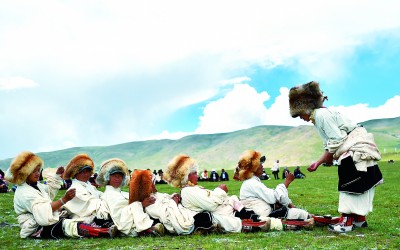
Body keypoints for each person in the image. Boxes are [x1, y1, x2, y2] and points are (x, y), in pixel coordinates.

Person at [289, 81, 383, 233]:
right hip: (358, 149)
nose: (300, 118)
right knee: (360, 184)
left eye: (299, 114)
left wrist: (328, 157)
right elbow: (332, 143)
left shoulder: (321, 115)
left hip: (354, 151)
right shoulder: (321, 115)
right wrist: (319, 162)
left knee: (349, 185)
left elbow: (337, 140)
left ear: (305, 107)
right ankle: (359, 220)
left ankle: (346, 223)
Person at [163, 154, 270, 233]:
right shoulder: (188, 191)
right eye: (194, 173)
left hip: (226, 210)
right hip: (223, 214)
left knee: (240, 203)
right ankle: (254, 221)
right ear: (185, 176)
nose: (198, 176)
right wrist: (220, 190)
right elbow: (210, 204)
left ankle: (256, 218)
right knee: (262, 218)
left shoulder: (192, 189)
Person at [3, 151, 86, 239]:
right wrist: (64, 200)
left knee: (73, 213)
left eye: (38, 170)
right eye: (33, 171)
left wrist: (57, 175)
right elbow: (43, 213)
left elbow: (49, 192)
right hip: (34, 226)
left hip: (43, 219)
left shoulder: (36, 185)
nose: (38, 173)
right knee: (68, 225)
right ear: (25, 173)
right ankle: (93, 231)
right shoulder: (24, 193)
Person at [235, 150, 314, 230]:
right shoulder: (251, 183)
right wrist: (286, 183)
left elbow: (271, 196)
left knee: (299, 213)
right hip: (263, 216)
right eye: (260, 164)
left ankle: (309, 218)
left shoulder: (252, 182)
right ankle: (312, 219)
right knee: (298, 214)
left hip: (264, 212)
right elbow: (272, 197)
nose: (262, 166)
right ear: (253, 168)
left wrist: (289, 204)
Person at [131, 169, 213, 235]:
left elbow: (166, 197)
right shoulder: (148, 201)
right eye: (151, 183)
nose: (154, 185)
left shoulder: (156, 194)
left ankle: (204, 226)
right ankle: (200, 228)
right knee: (202, 217)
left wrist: (174, 196)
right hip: (172, 216)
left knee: (203, 213)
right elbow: (164, 214)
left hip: (178, 209)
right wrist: (173, 203)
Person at [96, 158, 164, 237]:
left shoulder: (122, 193)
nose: (117, 179)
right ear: (108, 177)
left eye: (120, 176)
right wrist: (141, 205)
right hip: (125, 221)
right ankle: (147, 229)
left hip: (133, 214)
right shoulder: (109, 195)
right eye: (114, 176)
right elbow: (119, 215)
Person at [63, 153, 117, 237]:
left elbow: (100, 195)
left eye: (88, 171)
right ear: (75, 173)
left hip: (95, 215)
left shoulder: (89, 185)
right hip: (84, 218)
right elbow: (90, 205)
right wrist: (107, 203)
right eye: (82, 172)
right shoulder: (75, 188)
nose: (86, 174)